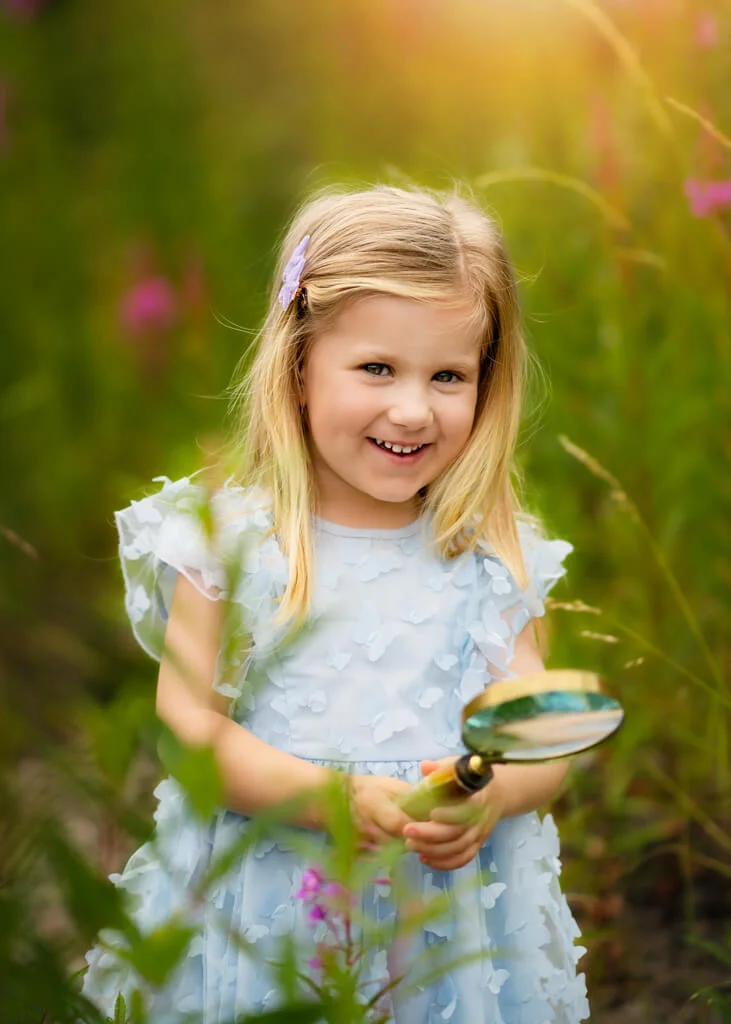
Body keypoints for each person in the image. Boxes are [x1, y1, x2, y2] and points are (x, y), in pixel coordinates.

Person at [82, 185, 589, 1022]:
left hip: (444, 916)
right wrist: (326, 798)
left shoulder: (489, 553)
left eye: (449, 375)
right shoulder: (228, 540)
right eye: (377, 368)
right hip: (271, 896)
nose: (412, 408)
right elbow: (188, 726)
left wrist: (492, 795)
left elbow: (538, 731)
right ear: (299, 364)